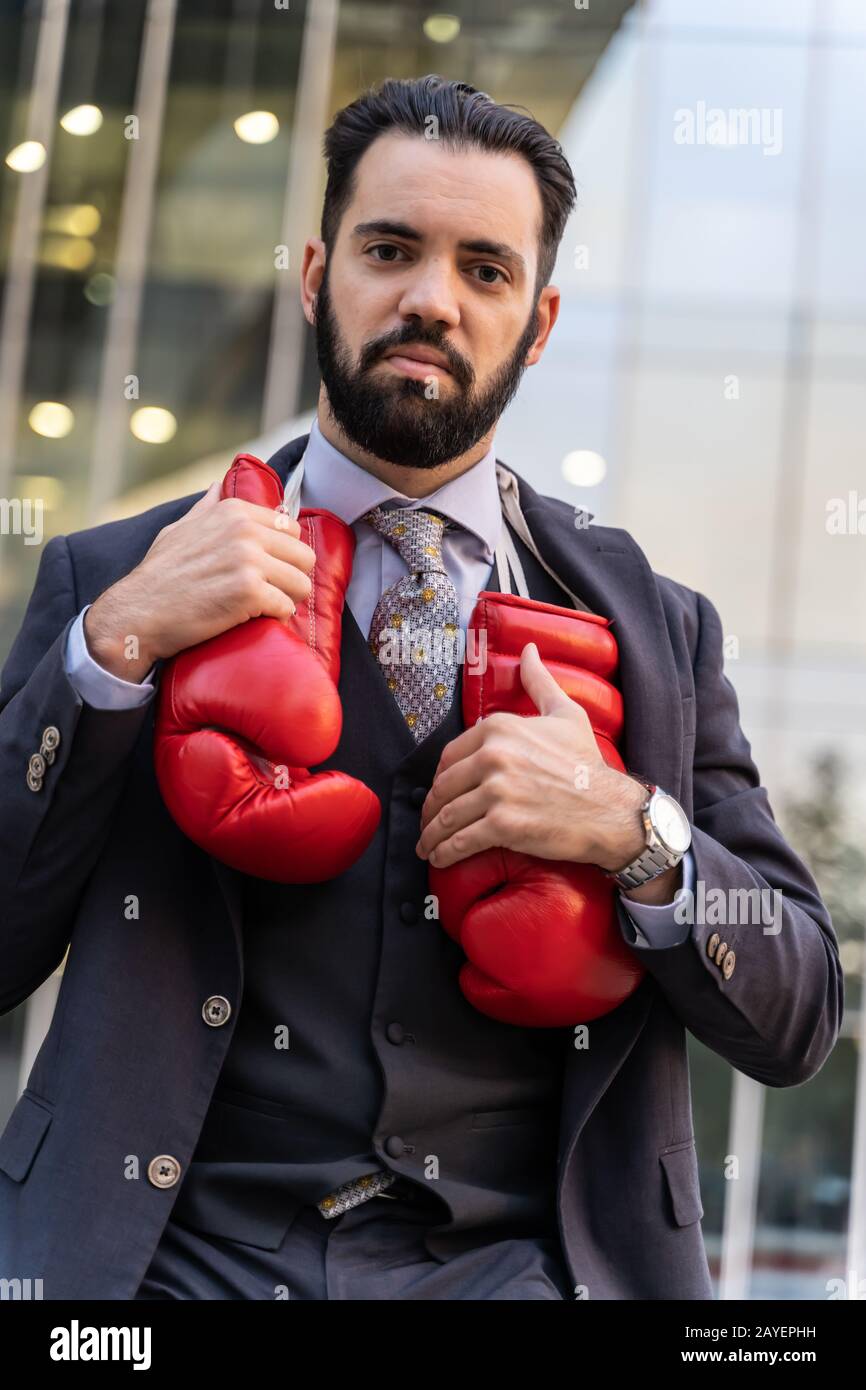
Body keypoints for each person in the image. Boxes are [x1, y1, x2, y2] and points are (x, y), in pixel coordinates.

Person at [0, 75, 841, 1301]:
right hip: (158, 1271)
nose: (430, 300)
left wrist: (631, 828)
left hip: (521, 1269)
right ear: (312, 274)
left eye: (484, 271)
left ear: (537, 323)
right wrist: (111, 647)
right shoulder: (116, 576)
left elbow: (798, 1010)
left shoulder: (657, 631)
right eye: (389, 249)